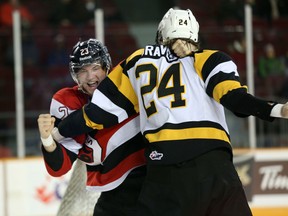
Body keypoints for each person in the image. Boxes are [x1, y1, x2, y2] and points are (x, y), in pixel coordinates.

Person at [49, 8, 288, 216]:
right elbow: (236, 100)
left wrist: (58, 133)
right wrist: (276, 109)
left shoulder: (138, 61)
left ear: (161, 35)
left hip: (166, 170)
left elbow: (97, 114)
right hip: (217, 168)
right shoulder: (211, 58)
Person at [37, 38, 147, 216]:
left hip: (150, 177)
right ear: (75, 75)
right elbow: (59, 168)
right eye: (83, 71)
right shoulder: (70, 101)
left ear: (107, 67)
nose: (90, 77)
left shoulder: (127, 85)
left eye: (95, 68)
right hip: (115, 191)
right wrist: (47, 139)